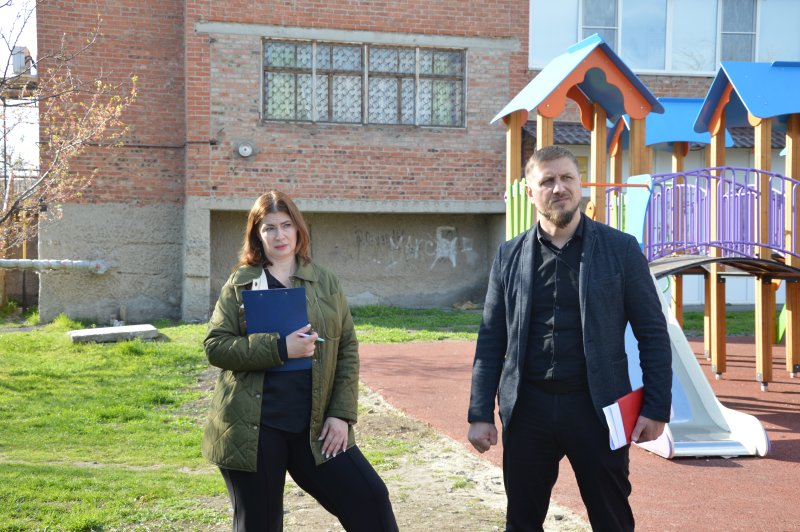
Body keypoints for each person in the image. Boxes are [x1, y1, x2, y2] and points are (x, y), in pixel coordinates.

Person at [467, 146, 672, 531]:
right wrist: (480, 413)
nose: (559, 188)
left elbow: (653, 334)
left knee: (612, 520)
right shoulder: (508, 256)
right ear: (530, 192)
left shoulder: (621, 249)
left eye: (567, 178)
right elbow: (491, 339)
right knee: (522, 522)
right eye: (547, 181)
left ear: (580, 185)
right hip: (528, 408)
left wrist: (657, 407)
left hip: (598, 409)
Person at [202, 190, 398, 531]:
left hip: (314, 424)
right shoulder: (241, 283)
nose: (279, 235)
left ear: (298, 229)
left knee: (369, 499)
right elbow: (216, 347)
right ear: (257, 234)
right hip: (254, 427)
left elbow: (347, 348)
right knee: (260, 524)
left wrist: (341, 414)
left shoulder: (325, 281)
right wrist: (280, 348)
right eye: (269, 228)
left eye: (286, 225)